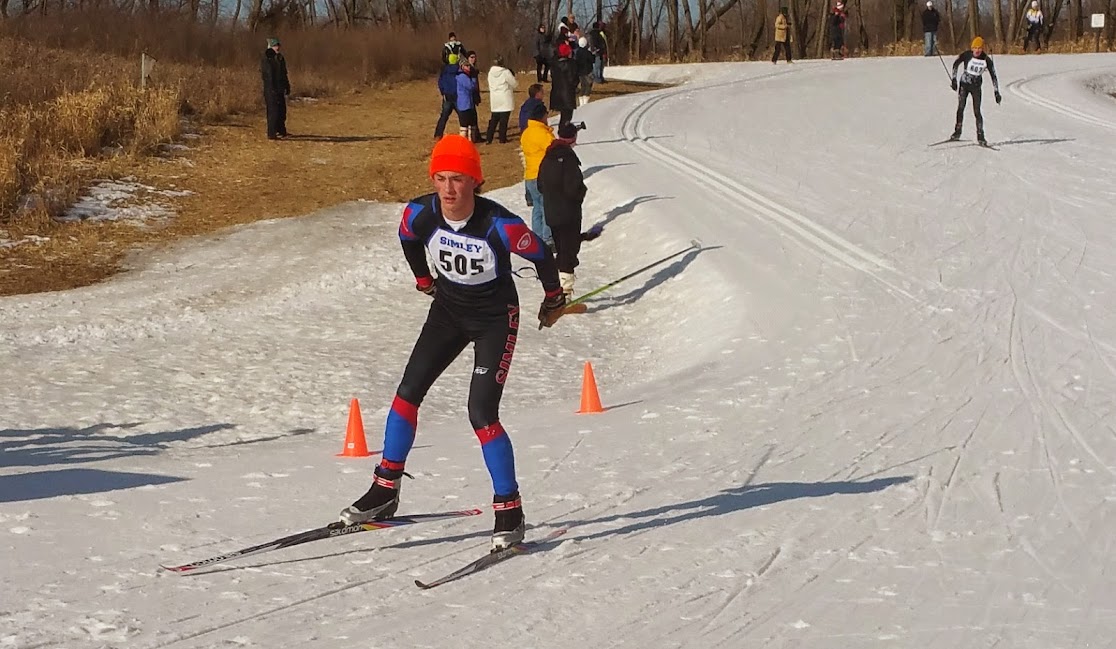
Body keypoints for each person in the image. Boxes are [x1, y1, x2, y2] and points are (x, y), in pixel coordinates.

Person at [337, 135, 567, 552]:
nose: (448, 189)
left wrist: (554, 298)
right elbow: (407, 238)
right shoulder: (420, 213)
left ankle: (510, 510)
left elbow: (541, 255)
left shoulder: (501, 224)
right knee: (407, 393)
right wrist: (423, 279)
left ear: (474, 181)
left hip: (494, 320)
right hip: (448, 312)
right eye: (441, 178)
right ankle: (385, 488)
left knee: (481, 413)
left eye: (458, 179)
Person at [537, 122, 588, 298]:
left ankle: (559, 288)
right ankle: (564, 293)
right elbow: (573, 189)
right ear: (574, 138)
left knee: (561, 250)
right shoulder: (568, 159)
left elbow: (540, 185)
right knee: (568, 253)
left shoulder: (547, 156)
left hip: (552, 213)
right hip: (569, 215)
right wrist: (581, 192)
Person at [949, 37, 1001, 145]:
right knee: (961, 108)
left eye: (979, 48)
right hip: (964, 85)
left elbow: (993, 75)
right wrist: (954, 79)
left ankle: (980, 136)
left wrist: (996, 92)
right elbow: (956, 64)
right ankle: (957, 132)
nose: (977, 50)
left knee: (977, 111)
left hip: (976, 87)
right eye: (975, 48)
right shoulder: (967, 55)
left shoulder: (986, 59)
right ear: (972, 48)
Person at [520, 102, 555, 249]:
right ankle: (548, 239)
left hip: (530, 175)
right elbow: (554, 149)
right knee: (548, 208)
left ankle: (537, 238)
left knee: (537, 208)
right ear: (542, 116)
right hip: (543, 176)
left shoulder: (526, 133)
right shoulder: (542, 134)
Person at [260, 37, 291, 140]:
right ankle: (271, 133)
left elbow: (284, 73)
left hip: (280, 88)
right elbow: (268, 75)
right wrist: (272, 88)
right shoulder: (267, 58)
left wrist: (287, 86)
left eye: (278, 45)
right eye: (275, 45)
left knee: (282, 111)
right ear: (270, 47)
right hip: (271, 89)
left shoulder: (280, 58)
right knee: (273, 111)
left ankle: (281, 130)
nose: (277, 47)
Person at [485, 54, 518, 144]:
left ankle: (489, 137)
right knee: (504, 120)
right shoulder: (506, 72)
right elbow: (514, 83)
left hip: (495, 98)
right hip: (505, 97)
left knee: (494, 119)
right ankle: (502, 138)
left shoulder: (490, 73)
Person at [550, 42, 578, 126]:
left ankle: (562, 130)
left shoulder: (554, 64)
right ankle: (563, 132)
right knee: (567, 117)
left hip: (557, 93)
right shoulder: (571, 65)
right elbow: (574, 79)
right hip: (568, 94)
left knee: (564, 116)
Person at [434, 53, 461, 139]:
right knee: (462, 116)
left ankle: (438, 134)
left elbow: (440, 82)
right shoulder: (459, 70)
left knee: (444, 116)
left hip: (447, 96)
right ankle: (466, 133)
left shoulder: (444, 71)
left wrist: (443, 92)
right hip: (457, 96)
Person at [455, 62, 479, 142]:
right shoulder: (462, 76)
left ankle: (471, 140)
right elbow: (471, 86)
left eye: (469, 65)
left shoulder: (465, 75)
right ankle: (463, 142)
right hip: (464, 104)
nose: (468, 67)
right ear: (462, 66)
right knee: (464, 125)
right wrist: (474, 78)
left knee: (471, 124)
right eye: (466, 66)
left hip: (468, 103)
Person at [575, 36, 595, 107]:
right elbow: (592, 60)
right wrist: (593, 55)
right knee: (588, 86)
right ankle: (585, 101)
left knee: (583, 86)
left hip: (580, 72)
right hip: (588, 71)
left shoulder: (577, 52)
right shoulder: (588, 53)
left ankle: (581, 102)